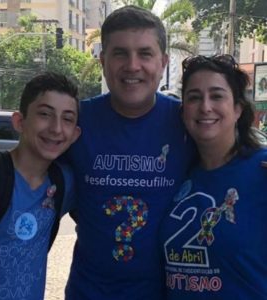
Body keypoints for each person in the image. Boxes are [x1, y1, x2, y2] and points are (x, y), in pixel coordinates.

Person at [65, 5, 195, 300]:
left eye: (145, 53)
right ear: (103, 61)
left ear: (162, 62)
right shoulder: (76, 121)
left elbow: (233, 155)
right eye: (120, 53)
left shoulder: (187, 121)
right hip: (88, 291)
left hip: (165, 292)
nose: (132, 65)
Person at [161, 54, 267, 299]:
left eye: (217, 96)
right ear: (183, 110)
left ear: (238, 109)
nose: (205, 106)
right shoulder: (175, 173)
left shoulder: (261, 171)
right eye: (194, 97)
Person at [0, 72, 81, 300]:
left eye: (67, 119)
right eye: (45, 114)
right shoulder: (3, 175)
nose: (56, 128)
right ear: (19, 121)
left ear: (75, 134)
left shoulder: (64, 183)